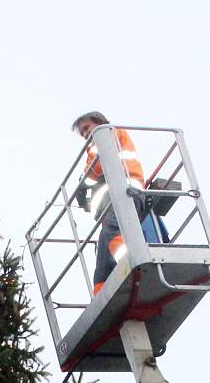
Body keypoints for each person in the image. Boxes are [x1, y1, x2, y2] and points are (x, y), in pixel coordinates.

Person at [72, 111, 146, 295]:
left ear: (100, 123)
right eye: (82, 133)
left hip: (125, 194)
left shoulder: (106, 134)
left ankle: (132, 265)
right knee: (103, 257)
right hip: (111, 204)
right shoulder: (98, 142)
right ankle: (99, 295)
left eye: (87, 128)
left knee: (113, 233)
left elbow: (95, 167)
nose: (86, 135)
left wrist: (82, 184)